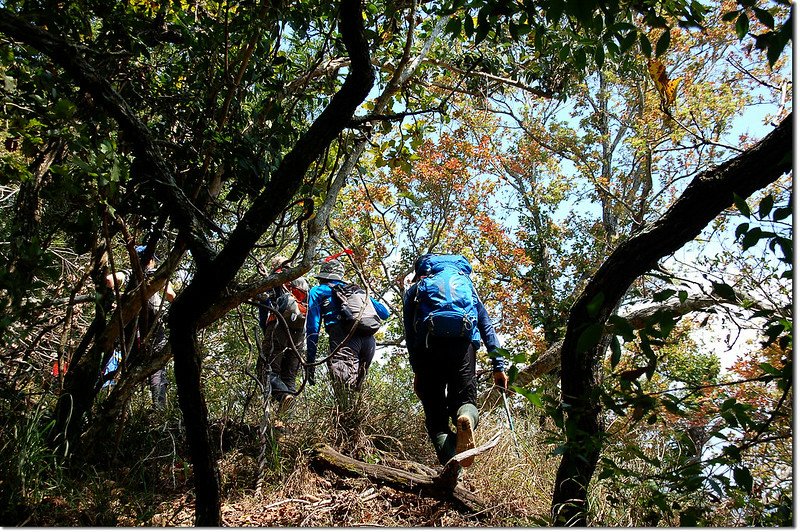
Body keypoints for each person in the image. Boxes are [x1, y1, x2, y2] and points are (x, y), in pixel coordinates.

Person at [402, 253, 508, 468]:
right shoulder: (468, 288)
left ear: (421, 270)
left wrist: (417, 371)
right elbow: (487, 328)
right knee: (466, 402)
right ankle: (466, 417)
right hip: (463, 348)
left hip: (428, 350)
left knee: (437, 422)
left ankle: (454, 473)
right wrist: (498, 367)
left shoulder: (415, 290)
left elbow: (410, 335)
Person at [105, 245, 176, 410]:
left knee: (129, 366)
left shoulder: (129, 274)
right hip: (154, 327)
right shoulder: (158, 276)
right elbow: (172, 296)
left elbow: (109, 280)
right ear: (150, 261)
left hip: (130, 327)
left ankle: (118, 406)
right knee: (157, 366)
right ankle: (158, 407)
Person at [305, 259, 389, 392]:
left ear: (322, 277)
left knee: (345, 393)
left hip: (344, 340)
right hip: (368, 341)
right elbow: (385, 313)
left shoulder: (318, 291)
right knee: (356, 393)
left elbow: (312, 327)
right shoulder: (356, 291)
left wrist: (310, 361)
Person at [254, 256, 309, 415]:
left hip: (278, 325)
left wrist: (266, 329)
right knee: (289, 376)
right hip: (299, 332)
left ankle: (284, 397)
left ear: (275, 265)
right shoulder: (302, 281)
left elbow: (264, 305)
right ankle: (284, 420)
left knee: (266, 369)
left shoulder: (276, 277)